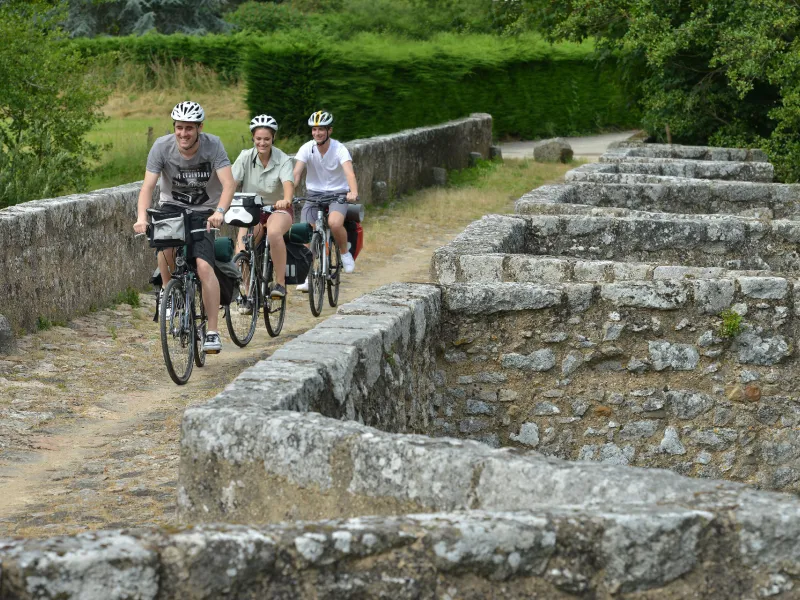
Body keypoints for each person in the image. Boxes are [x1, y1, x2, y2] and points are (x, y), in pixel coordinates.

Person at [133, 100, 235, 354]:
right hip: (172, 208)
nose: (183, 133)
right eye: (179, 127)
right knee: (164, 247)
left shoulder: (213, 146)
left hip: (205, 212)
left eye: (189, 128)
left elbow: (229, 184)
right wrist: (141, 218)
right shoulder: (162, 147)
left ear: (200, 127)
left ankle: (212, 331)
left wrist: (220, 212)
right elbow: (147, 187)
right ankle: (170, 296)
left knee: (203, 266)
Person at [293, 110, 358, 292]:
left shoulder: (339, 149)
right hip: (313, 194)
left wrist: (353, 191)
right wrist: (289, 193)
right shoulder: (307, 148)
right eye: (314, 129)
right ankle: (307, 276)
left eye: (321, 129)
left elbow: (349, 173)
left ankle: (345, 253)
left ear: (330, 130)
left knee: (335, 223)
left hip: (338, 193)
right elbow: (297, 173)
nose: (317, 133)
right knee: (305, 233)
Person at [231, 114, 294, 300]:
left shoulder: (283, 159)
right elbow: (231, 184)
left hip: (278, 209)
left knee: (274, 233)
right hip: (252, 210)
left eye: (266, 139)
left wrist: (286, 199)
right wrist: (222, 205)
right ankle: (248, 293)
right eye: (258, 139)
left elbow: (288, 185)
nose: (262, 143)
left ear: (273, 138)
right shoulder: (245, 157)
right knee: (242, 247)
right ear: (253, 138)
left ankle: (280, 284)